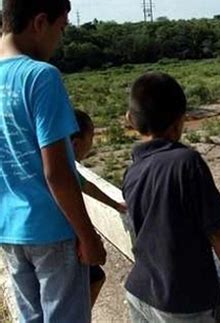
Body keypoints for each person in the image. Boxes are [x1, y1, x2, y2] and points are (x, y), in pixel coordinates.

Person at [123, 72, 220, 322]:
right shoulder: (186, 162)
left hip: (139, 290)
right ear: (179, 122)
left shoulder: (133, 170)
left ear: (132, 120)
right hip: (180, 302)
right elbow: (217, 231)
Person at [0, 0, 105, 322]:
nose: (60, 39)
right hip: (51, 230)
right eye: (61, 28)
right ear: (40, 22)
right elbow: (58, 172)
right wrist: (88, 235)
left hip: (9, 232)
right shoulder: (41, 76)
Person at [71, 109, 127, 307]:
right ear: (77, 142)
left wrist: (115, 205)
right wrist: (88, 238)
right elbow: (85, 187)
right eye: (91, 137)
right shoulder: (63, 168)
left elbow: (86, 186)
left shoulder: (52, 160)